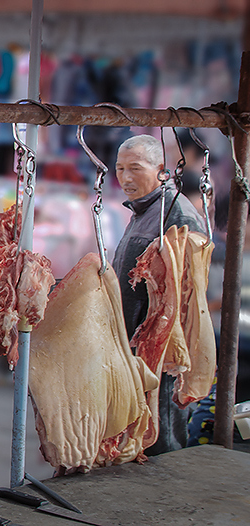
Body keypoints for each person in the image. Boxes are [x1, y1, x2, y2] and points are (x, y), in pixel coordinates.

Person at [111, 134, 207, 455]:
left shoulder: (176, 213)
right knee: (135, 431)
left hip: (162, 352)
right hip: (134, 344)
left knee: (162, 438)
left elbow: (189, 292)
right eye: (120, 168)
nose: (125, 177)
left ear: (161, 169)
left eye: (135, 168)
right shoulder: (144, 211)